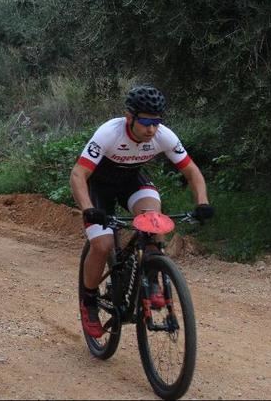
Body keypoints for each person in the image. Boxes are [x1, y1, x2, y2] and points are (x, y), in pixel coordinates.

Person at [69, 85, 214, 339]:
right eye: (146, 122)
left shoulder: (163, 135)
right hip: (99, 186)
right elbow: (78, 174)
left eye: (156, 122)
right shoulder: (108, 134)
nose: (151, 129)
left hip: (131, 182)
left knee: (154, 223)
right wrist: (89, 209)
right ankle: (89, 302)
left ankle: (153, 277)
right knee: (102, 245)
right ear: (130, 117)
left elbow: (192, 171)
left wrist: (202, 202)